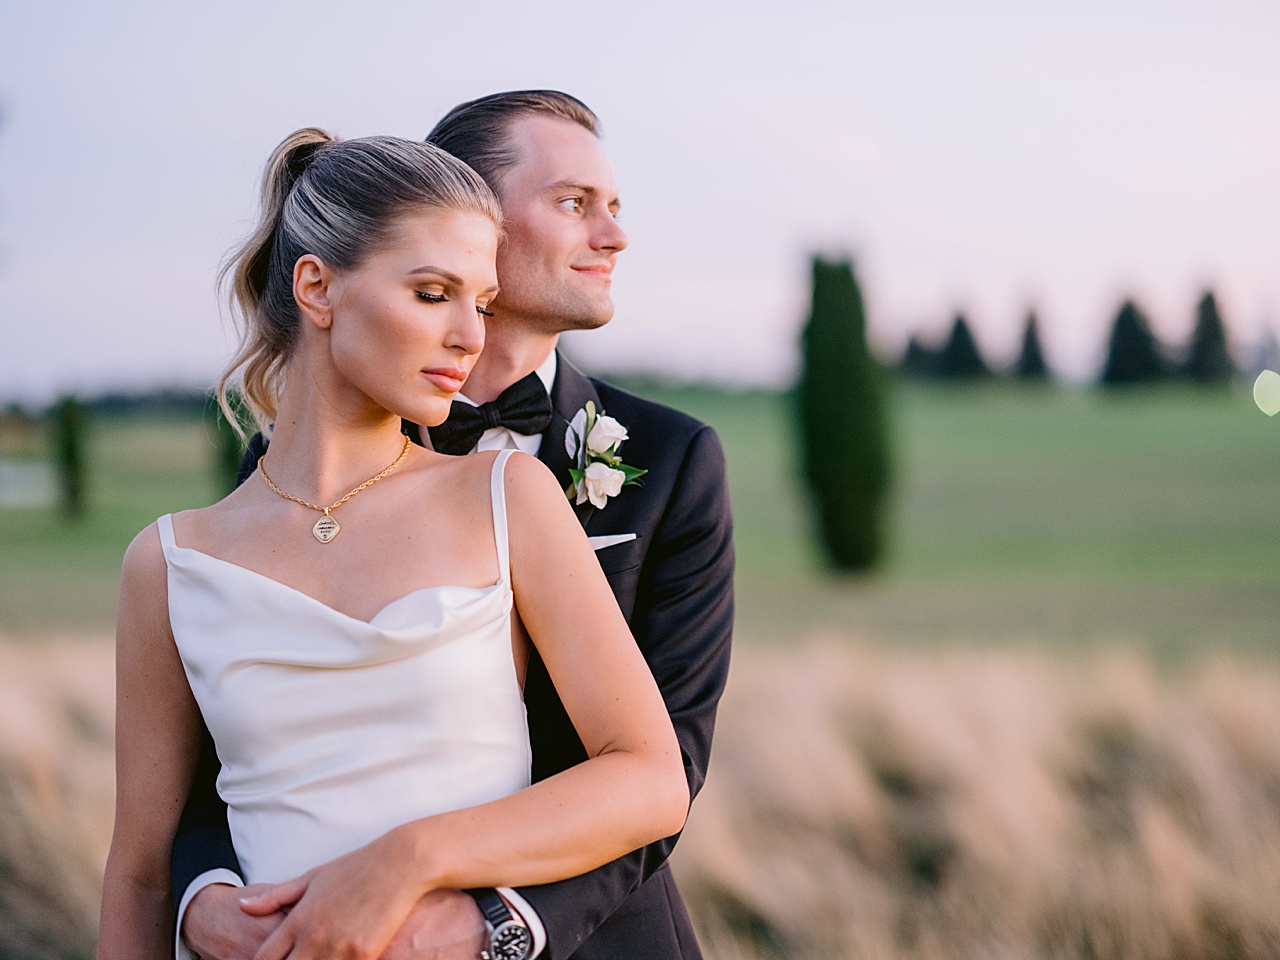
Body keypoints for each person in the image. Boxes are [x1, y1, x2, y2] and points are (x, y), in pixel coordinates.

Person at [97, 128, 692, 960]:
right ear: (317, 287)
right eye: (431, 293)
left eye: (479, 303)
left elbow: (650, 779)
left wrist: (410, 858)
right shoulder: (168, 563)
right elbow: (140, 875)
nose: (469, 336)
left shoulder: (505, 497)